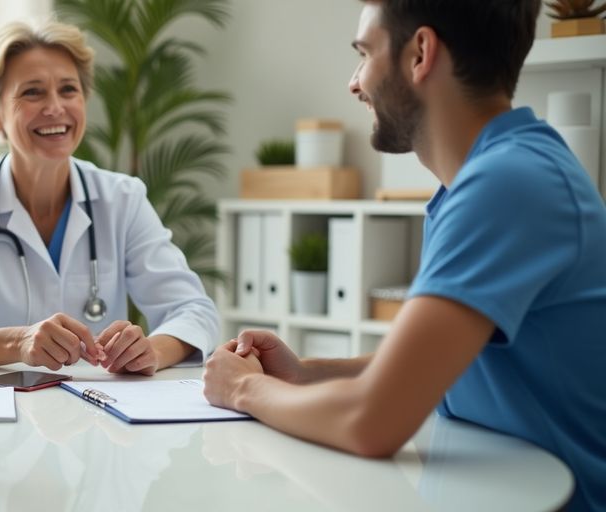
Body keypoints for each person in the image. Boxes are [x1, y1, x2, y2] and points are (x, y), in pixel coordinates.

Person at [202, 1, 606, 510]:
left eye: (364, 53)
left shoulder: (507, 185)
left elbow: (372, 421)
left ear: (420, 54)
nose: (354, 83)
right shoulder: (484, 180)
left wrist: (242, 390)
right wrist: (306, 373)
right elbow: (443, 362)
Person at [0, 20, 218, 375]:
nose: (55, 107)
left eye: (68, 89)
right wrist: (18, 342)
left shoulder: (122, 199)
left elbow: (194, 311)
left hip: (98, 404)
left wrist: (152, 350)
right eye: (33, 92)